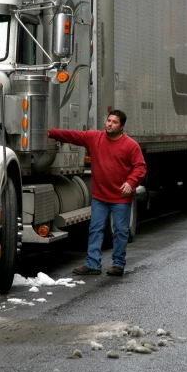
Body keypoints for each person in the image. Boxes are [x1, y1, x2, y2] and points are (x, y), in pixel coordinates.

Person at [48, 110, 146, 277]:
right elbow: (73, 136)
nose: (110, 124)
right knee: (95, 229)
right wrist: (50, 133)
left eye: (115, 122)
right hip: (100, 196)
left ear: (121, 127)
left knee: (121, 231)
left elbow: (140, 167)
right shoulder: (95, 138)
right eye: (108, 121)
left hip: (121, 198)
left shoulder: (130, 145)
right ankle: (93, 263)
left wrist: (131, 183)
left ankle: (118, 264)